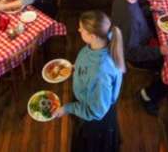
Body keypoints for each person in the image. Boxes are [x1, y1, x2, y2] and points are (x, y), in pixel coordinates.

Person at [52, 10, 124, 152]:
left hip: (95, 120)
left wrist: (66, 108)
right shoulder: (95, 45)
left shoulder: (101, 73)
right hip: (86, 101)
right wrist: (75, 68)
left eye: (82, 29)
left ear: (92, 36)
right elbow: (87, 63)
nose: (78, 30)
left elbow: (96, 112)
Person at [111, 0, 168, 115]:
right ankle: (148, 95)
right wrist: (160, 51)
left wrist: (149, 8)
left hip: (139, 36)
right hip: (135, 53)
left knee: (161, 24)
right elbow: (132, 52)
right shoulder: (131, 21)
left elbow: (136, 10)